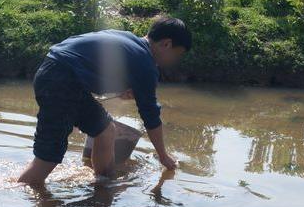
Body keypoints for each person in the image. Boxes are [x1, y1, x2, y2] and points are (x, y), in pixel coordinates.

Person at [18, 17, 192, 186]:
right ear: (167, 44)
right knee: (48, 157)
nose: (173, 61)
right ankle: (14, 193)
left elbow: (92, 64)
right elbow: (151, 116)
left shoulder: (129, 40)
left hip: (58, 73)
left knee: (105, 129)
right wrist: (163, 156)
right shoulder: (145, 63)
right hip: (62, 80)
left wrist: (122, 87)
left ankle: (103, 184)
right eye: (176, 55)